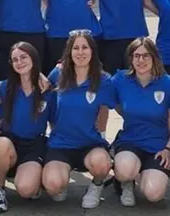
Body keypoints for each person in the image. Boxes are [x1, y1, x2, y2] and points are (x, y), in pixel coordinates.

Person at [42, 30, 115, 209]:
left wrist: (102, 132)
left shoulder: (103, 80)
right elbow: (47, 106)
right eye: (76, 48)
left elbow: (108, 106)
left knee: (102, 164)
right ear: (69, 51)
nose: (80, 52)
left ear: (92, 51)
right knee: (53, 187)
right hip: (61, 144)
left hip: (89, 144)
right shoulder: (57, 75)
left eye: (85, 47)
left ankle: (96, 185)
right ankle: (62, 181)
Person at [110, 37, 170, 206]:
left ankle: (143, 172)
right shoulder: (120, 79)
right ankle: (125, 182)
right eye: (136, 56)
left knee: (153, 194)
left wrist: (169, 148)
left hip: (158, 147)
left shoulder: (168, 83)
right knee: (125, 170)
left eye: (146, 56)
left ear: (154, 58)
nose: (141, 60)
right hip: (130, 141)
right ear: (131, 59)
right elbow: (98, 84)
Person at [0, 42, 56, 212]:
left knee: (26, 190)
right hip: (10, 141)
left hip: (35, 144)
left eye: (24, 57)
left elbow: (55, 122)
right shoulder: (5, 87)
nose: (20, 62)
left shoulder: (47, 89)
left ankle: (36, 178)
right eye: (15, 59)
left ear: (34, 58)